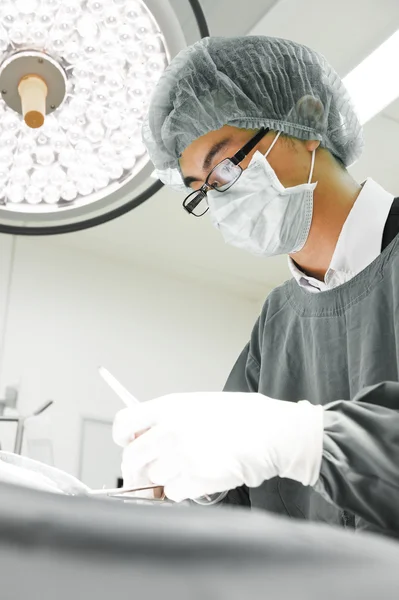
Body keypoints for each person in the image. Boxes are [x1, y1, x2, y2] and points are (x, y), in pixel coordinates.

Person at [113, 36, 399, 537]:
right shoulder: (277, 322)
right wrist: (192, 488)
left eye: (224, 167)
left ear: (305, 121)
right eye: (200, 190)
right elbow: (244, 510)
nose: (218, 199)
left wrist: (303, 441)